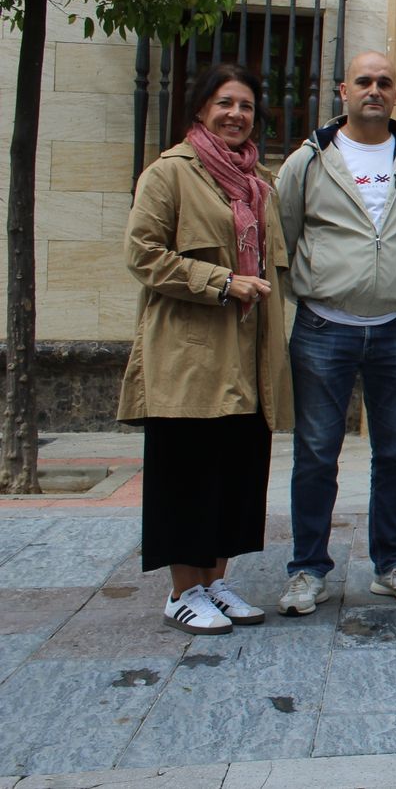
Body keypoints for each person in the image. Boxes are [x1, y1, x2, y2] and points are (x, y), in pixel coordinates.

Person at [119, 63, 293, 635]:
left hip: (248, 356)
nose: (235, 114)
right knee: (187, 473)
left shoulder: (258, 182)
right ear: (200, 110)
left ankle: (215, 581)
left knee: (236, 473)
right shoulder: (169, 174)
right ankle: (181, 591)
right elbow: (143, 254)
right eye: (224, 103)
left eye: (245, 105)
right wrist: (220, 282)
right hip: (190, 357)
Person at [274, 51, 396, 616]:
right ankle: (306, 570)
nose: (374, 90)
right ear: (343, 90)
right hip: (324, 328)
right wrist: (313, 288)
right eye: (364, 81)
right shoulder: (308, 160)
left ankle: (392, 564)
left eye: (385, 83)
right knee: (317, 453)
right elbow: (285, 234)